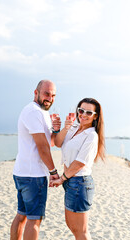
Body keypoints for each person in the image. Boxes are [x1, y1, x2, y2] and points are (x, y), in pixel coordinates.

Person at [10, 80, 61, 240]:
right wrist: (53, 171)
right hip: (33, 176)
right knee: (34, 220)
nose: (50, 98)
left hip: (22, 172)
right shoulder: (33, 111)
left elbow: (49, 142)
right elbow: (43, 148)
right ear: (36, 92)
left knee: (22, 216)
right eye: (47, 93)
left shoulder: (41, 112)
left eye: (53, 95)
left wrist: (56, 130)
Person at [50, 98, 105, 240]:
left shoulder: (92, 136)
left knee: (81, 231)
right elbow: (57, 143)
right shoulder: (73, 128)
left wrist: (62, 179)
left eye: (88, 112)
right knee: (72, 226)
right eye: (81, 110)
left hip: (79, 183)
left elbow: (80, 163)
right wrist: (65, 128)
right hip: (71, 183)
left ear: (95, 116)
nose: (83, 115)